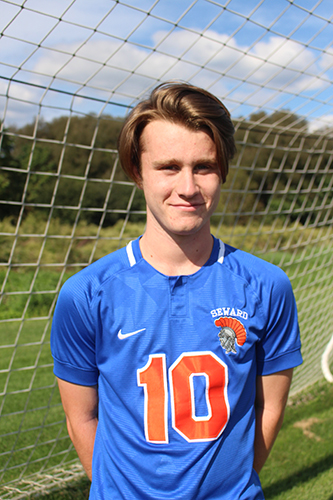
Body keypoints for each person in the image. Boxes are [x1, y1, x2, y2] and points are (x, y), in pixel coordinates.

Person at [51, 82, 302, 500]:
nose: (187, 187)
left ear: (222, 170)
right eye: (168, 167)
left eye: (203, 166)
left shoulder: (266, 286)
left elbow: (269, 407)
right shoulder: (86, 294)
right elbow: (82, 418)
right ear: (138, 170)